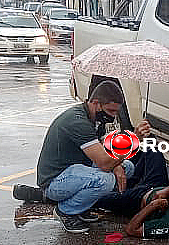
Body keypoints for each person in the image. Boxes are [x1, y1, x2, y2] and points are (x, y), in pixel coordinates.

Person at [30, 81, 134, 233]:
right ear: (96, 103)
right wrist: (133, 141)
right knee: (106, 179)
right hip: (54, 181)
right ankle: (65, 211)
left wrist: (117, 166)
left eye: (116, 112)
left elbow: (102, 153)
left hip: (73, 171)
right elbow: (104, 164)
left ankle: (82, 207)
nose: (113, 116)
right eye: (111, 111)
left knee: (127, 168)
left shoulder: (93, 118)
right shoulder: (78, 121)